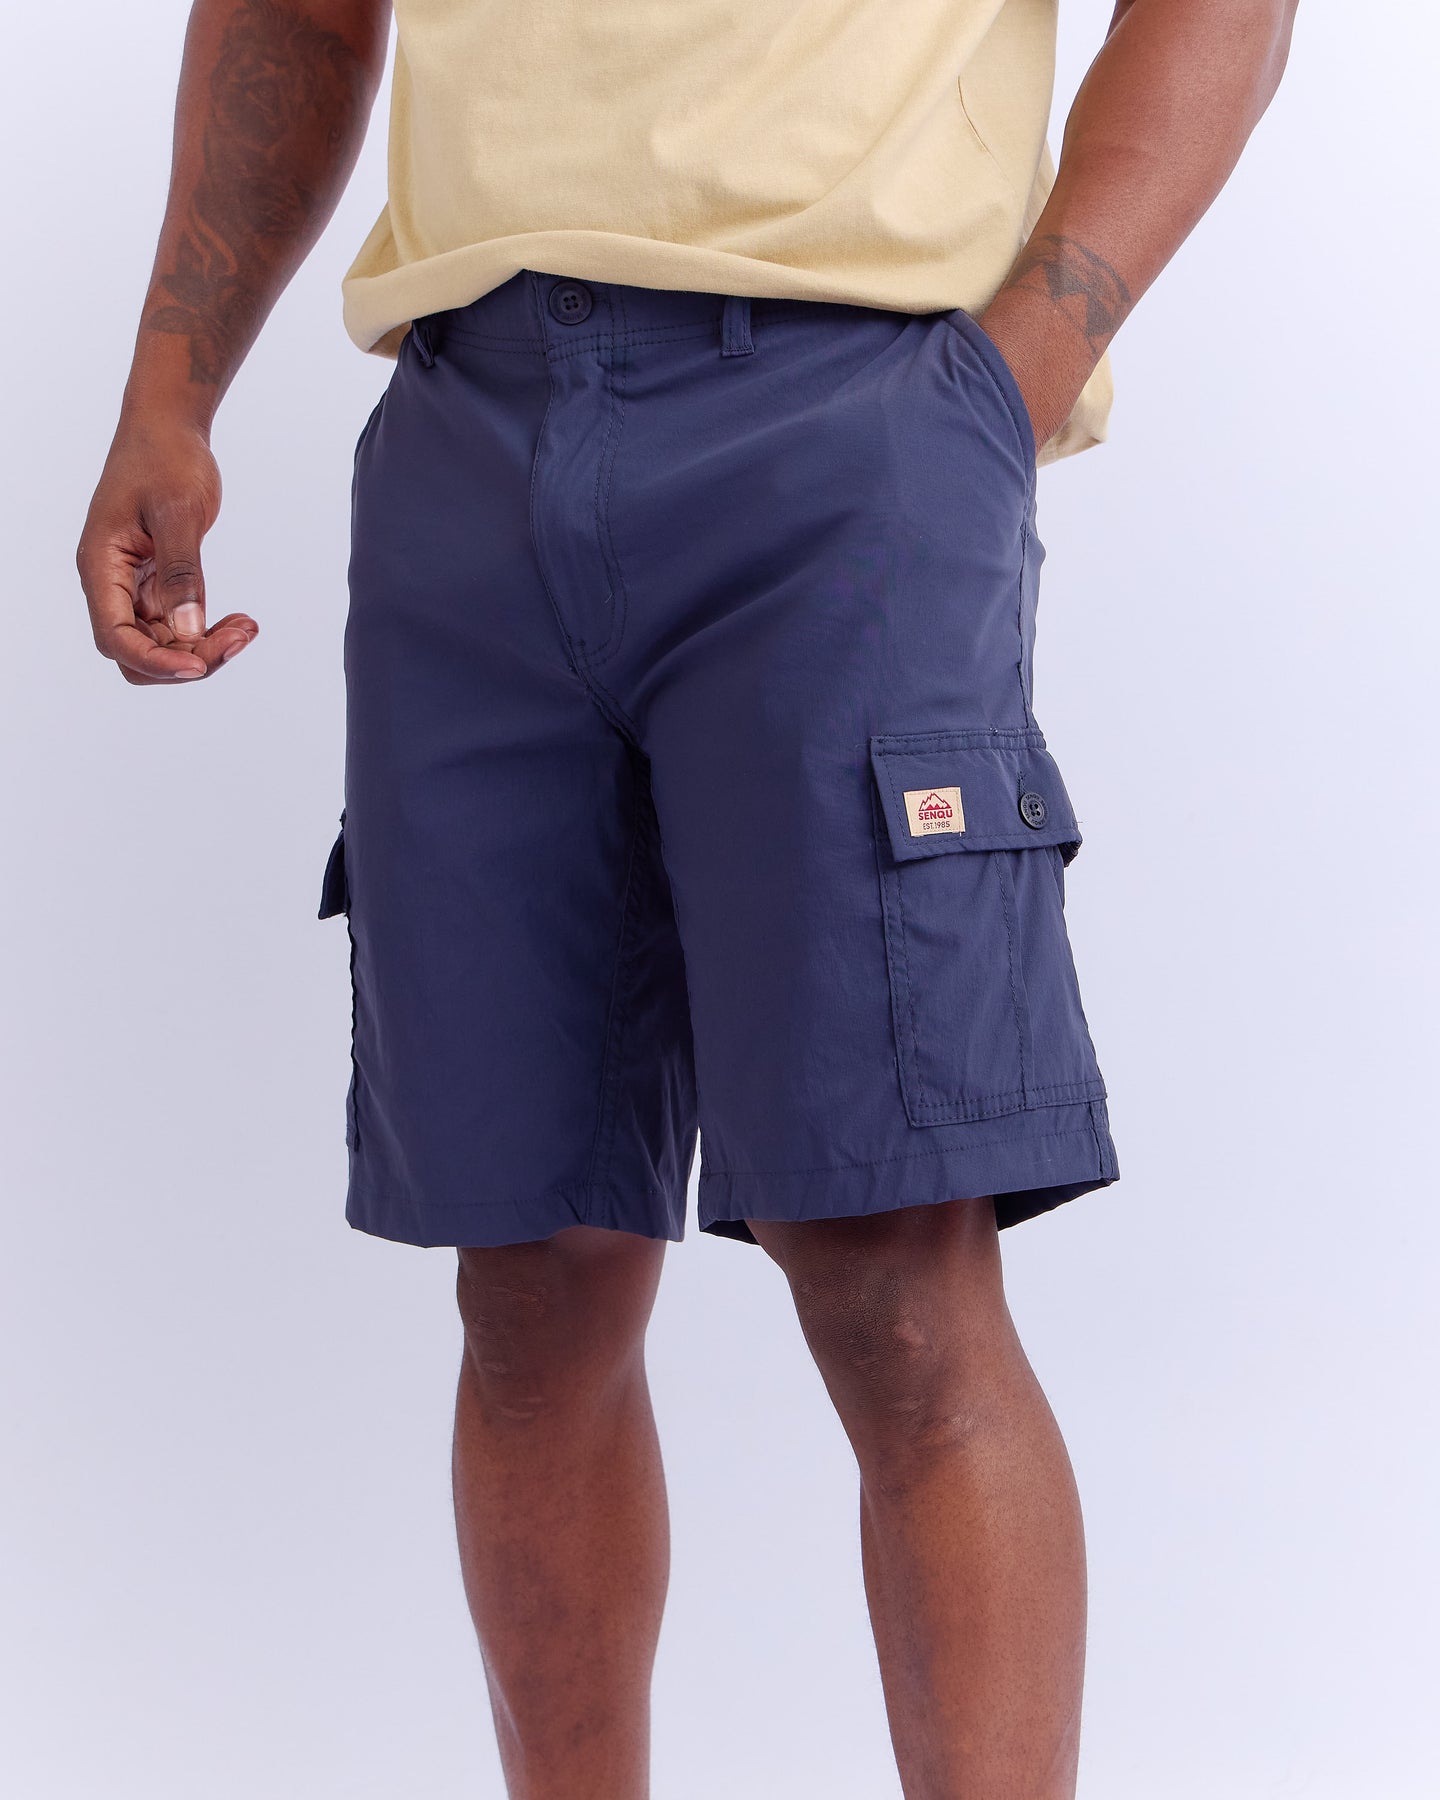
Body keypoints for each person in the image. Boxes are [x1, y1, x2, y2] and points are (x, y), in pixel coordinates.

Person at [76, 2, 1297, 1794]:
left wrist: (1010, 375)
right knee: (531, 1283)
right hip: (467, 438)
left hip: (853, 433)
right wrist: (171, 391)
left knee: (891, 1276)